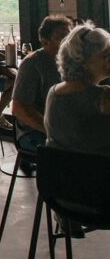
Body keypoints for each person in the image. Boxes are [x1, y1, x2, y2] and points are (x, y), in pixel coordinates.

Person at [45, 23, 110, 158]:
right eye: (105, 56)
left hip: (58, 174)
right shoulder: (104, 97)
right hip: (97, 175)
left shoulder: (53, 92)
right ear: (84, 63)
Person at [12, 15, 72, 157]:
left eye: (69, 38)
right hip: (33, 132)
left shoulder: (71, 63)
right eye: (61, 39)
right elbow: (18, 109)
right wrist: (53, 130)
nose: (68, 43)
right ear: (45, 42)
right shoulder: (32, 64)